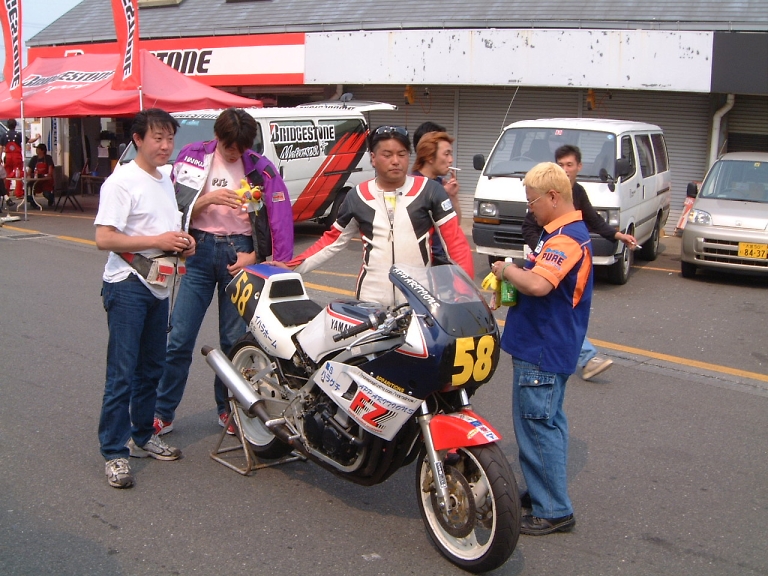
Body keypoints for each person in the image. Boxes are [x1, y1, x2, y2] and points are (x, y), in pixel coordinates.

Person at [153, 108, 294, 437]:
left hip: (240, 254)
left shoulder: (260, 167)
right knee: (179, 338)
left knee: (233, 342)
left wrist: (257, 256)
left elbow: (279, 215)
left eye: (241, 148)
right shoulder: (192, 157)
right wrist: (207, 199)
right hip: (198, 252)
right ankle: (162, 412)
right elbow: (172, 206)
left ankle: (228, 409)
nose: (235, 153)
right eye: (230, 146)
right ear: (218, 137)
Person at [491, 161, 593, 536]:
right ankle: (542, 492)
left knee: (537, 427)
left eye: (532, 201)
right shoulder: (561, 234)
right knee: (546, 423)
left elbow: (539, 285)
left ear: (553, 196)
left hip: (542, 350)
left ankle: (553, 510)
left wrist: (505, 270)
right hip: (545, 346)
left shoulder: (565, 239)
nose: (530, 208)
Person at [94, 108, 194, 489]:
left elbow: (165, 229)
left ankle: (142, 434)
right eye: (158, 138)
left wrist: (183, 242)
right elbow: (104, 237)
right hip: (127, 284)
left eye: (170, 138)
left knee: (152, 367)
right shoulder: (121, 182)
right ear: (137, 139)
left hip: (159, 284)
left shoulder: (165, 178)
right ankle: (114, 452)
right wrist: (158, 240)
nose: (166, 146)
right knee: (122, 372)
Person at [284, 125, 474, 306]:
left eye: (402, 154)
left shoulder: (430, 191)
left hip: (419, 300)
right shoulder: (357, 196)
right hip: (370, 300)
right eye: (387, 155)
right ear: (373, 158)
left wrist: (465, 294)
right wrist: (291, 266)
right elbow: (332, 241)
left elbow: (455, 243)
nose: (395, 161)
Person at [521, 145, 637, 381]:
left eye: (569, 165)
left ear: (579, 167)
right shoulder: (542, 196)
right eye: (560, 165)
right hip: (548, 258)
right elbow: (529, 227)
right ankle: (586, 357)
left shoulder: (578, 195)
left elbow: (593, 219)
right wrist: (543, 250)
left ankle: (583, 356)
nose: (565, 169)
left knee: (564, 308)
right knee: (557, 309)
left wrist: (617, 235)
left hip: (564, 260)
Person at [1, 119, 24, 206]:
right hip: (17, 157)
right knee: (18, 174)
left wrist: (0, 157)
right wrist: (37, 137)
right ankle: (18, 193)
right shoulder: (18, 134)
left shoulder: (4, 135)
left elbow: (1, 147)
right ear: (15, 125)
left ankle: (6, 192)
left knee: (6, 175)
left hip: (8, 157)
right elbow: (29, 141)